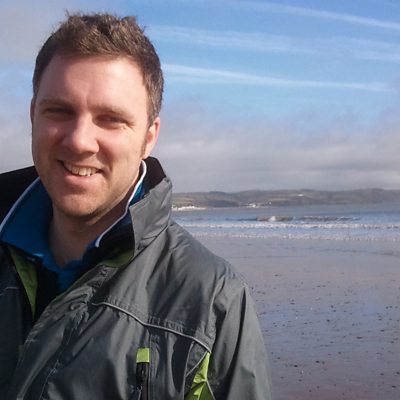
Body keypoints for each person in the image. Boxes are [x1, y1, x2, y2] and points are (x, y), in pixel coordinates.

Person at [0, 13, 273, 400]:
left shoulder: (211, 301)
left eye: (111, 119)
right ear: (33, 115)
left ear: (149, 137)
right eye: (59, 110)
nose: (80, 141)